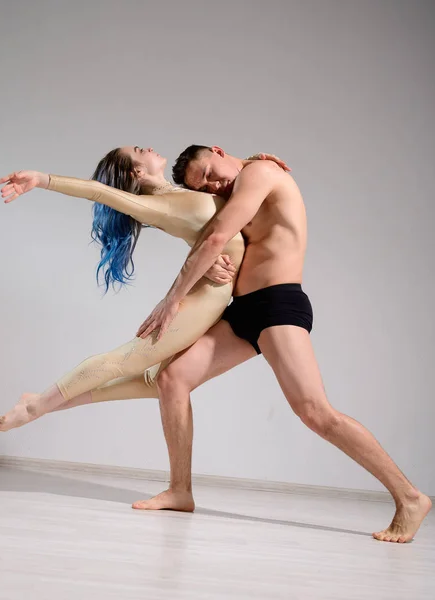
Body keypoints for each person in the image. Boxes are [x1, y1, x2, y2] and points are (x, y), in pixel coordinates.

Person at [134, 144, 432, 543]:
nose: (213, 185)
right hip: (244, 310)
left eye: (208, 173)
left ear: (220, 151)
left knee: (314, 411)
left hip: (278, 303)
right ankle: (180, 490)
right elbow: (207, 236)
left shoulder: (259, 174)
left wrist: (172, 301)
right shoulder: (235, 189)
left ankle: (409, 497)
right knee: (173, 379)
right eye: (204, 185)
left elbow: (215, 236)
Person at [0, 147, 288, 432]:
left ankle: (39, 403)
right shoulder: (152, 204)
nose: (148, 148)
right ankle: (34, 408)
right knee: (123, 361)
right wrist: (42, 180)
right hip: (197, 304)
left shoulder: (183, 192)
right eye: (139, 151)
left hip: (216, 301)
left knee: (155, 383)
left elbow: (219, 215)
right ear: (136, 172)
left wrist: (250, 163)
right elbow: (98, 191)